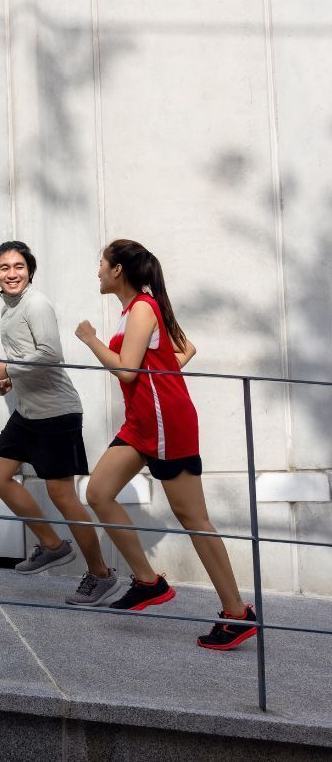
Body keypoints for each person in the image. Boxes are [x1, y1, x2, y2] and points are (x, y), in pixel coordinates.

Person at [75, 238, 257, 649]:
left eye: (102, 264)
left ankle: (237, 614)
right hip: (140, 423)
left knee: (194, 518)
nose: (98, 271)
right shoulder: (135, 310)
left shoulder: (143, 307)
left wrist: (90, 339)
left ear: (117, 270)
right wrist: (160, 376)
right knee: (98, 493)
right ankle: (148, 582)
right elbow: (183, 349)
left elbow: (126, 371)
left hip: (165, 423)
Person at [0, 241, 121, 606]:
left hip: (57, 414)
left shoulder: (36, 304)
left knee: (63, 497)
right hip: (28, 412)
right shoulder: (8, 309)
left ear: (30, 270)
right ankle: (52, 545)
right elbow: (28, 361)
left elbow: (50, 355)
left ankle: (101, 575)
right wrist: (8, 381)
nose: (11, 273)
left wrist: (7, 368)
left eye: (19, 266)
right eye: (4, 268)